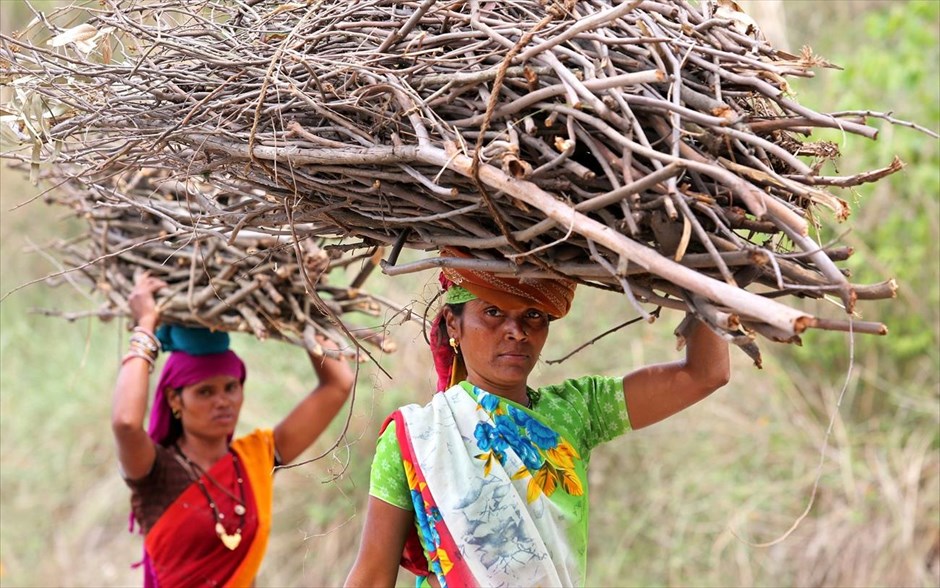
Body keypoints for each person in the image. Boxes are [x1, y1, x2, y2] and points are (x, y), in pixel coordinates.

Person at [345, 247, 730, 588]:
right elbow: (373, 577)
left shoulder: (578, 410)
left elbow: (706, 374)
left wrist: (700, 262)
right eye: (493, 312)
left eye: (533, 315)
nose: (516, 332)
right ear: (453, 324)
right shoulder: (414, 436)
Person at [112, 271, 355, 587]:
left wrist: (303, 302)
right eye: (205, 392)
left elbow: (339, 384)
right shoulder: (154, 472)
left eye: (231, 387)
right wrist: (145, 324)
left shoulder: (254, 460)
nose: (223, 402)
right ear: (174, 399)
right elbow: (126, 423)